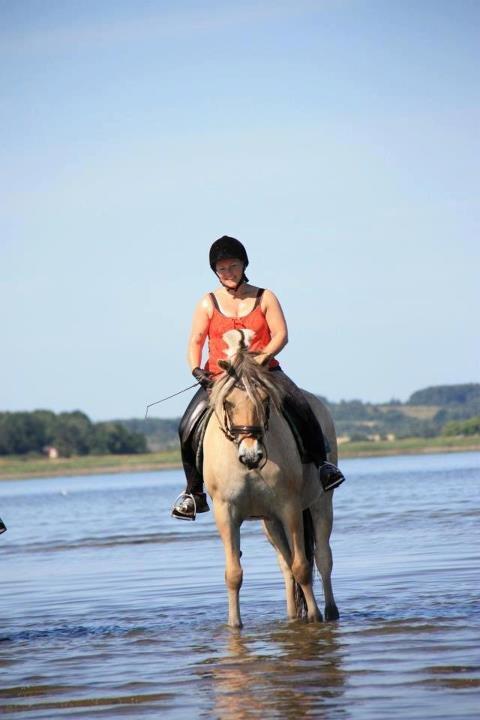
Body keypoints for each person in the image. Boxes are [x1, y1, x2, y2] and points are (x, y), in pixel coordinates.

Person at [172, 236, 345, 519]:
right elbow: (196, 341)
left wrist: (263, 358)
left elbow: (281, 335)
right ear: (215, 271)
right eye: (222, 269)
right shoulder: (207, 303)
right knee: (186, 425)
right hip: (220, 377)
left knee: (301, 406)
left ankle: (323, 467)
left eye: (233, 266)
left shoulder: (265, 297)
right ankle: (194, 492)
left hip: (265, 372)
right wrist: (196, 370)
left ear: (244, 266)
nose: (228, 273)